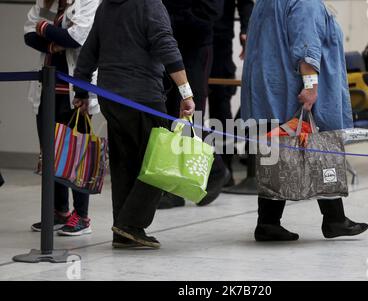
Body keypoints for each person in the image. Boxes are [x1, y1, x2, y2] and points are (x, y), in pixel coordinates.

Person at [241, 0, 368, 241]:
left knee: (276, 156)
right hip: (292, 92)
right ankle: (335, 220)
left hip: (268, 89)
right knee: (322, 149)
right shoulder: (305, 3)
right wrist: (311, 88)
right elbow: (306, 48)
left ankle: (268, 222)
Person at [73, 0, 195, 249]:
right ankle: (130, 224)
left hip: (111, 98)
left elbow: (90, 50)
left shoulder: (107, 6)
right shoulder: (150, 4)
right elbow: (166, 46)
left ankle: (123, 231)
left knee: (124, 165)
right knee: (159, 164)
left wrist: (81, 91)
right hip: (142, 99)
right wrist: (186, 93)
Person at [24, 0, 100, 236]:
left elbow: (76, 38)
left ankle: (82, 216)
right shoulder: (46, 2)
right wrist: (52, 45)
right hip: (47, 88)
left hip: (77, 92)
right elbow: (28, 34)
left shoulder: (88, 0)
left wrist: (44, 29)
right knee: (50, 153)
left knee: (77, 155)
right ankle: (60, 211)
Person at [159, 0, 230, 209]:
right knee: (172, 116)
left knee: (190, 115)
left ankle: (215, 170)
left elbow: (211, 12)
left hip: (195, 48)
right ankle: (174, 187)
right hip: (170, 47)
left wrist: (170, 20)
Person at [208, 0, 254, 187]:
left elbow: (245, 4)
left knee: (220, 105)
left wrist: (246, 30)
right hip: (190, 35)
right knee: (191, 107)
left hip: (219, 39)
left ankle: (224, 169)